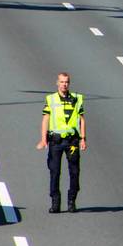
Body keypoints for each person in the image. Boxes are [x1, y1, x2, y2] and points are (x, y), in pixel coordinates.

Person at [37, 72, 87, 213]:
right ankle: (55, 202)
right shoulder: (51, 99)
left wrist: (83, 138)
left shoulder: (77, 99)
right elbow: (45, 119)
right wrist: (43, 139)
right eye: (62, 82)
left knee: (74, 171)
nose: (64, 84)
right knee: (54, 171)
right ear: (57, 83)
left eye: (67, 82)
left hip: (72, 141)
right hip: (56, 141)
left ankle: (72, 201)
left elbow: (82, 119)